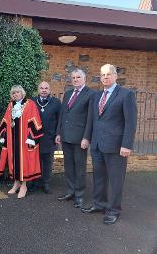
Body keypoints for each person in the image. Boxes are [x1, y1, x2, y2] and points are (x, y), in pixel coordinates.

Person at [81, 64, 137, 225]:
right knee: (99, 177)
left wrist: (127, 145)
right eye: (102, 75)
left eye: (108, 74)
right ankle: (99, 204)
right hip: (98, 145)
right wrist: (87, 138)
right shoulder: (97, 96)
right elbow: (93, 120)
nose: (105, 77)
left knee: (115, 180)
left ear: (115, 76)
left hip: (116, 146)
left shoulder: (126, 95)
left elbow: (130, 122)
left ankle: (113, 210)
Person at [55, 69, 95, 208]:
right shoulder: (67, 94)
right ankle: (70, 191)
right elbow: (63, 114)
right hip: (66, 136)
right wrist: (58, 133)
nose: (75, 79)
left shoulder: (91, 94)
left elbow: (91, 118)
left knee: (79, 167)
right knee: (69, 166)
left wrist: (86, 137)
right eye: (73, 77)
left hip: (80, 139)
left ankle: (79, 195)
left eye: (78, 77)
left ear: (84, 79)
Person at [0, 85, 43, 199]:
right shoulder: (11, 105)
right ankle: (16, 183)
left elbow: (35, 120)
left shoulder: (30, 104)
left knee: (24, 162)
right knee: (13, 161)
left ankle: (24, 185)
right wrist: (3, 134)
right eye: (13, 93)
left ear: (22, 93)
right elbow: (6, 120)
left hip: (24, 139)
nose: (15, 94)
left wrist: (31, 137)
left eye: (17, 92)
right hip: (13, 139)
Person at [31, 81, 61, 194]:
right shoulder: (32, 101)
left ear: (49, 90)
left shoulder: (56, 102)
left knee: (48, 162)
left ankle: (46, 183)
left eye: (46, 88)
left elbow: (60, 120)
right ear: (38, 90)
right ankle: (34, 182)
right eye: (41, 88)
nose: (44, 90)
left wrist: (58, 134)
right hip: (35, 138)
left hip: (50, 137)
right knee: (35, 161)